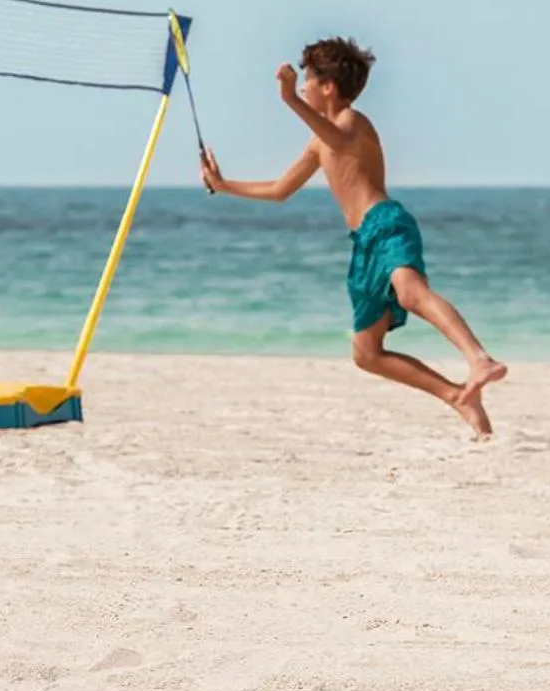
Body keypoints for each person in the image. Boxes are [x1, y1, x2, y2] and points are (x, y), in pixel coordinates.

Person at [200, 37, 508, 437]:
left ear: (328, 86)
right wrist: (223, 185)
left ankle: (478, 358)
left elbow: (339, 139)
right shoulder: (319, 142)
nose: (305, 86)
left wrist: (288, 99)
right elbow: (279, 190)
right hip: (363, 243)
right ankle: (455, 397)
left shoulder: (351, 122)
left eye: (308, 80)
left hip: (387, 223)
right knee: (367, 354)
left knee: (411, 293)